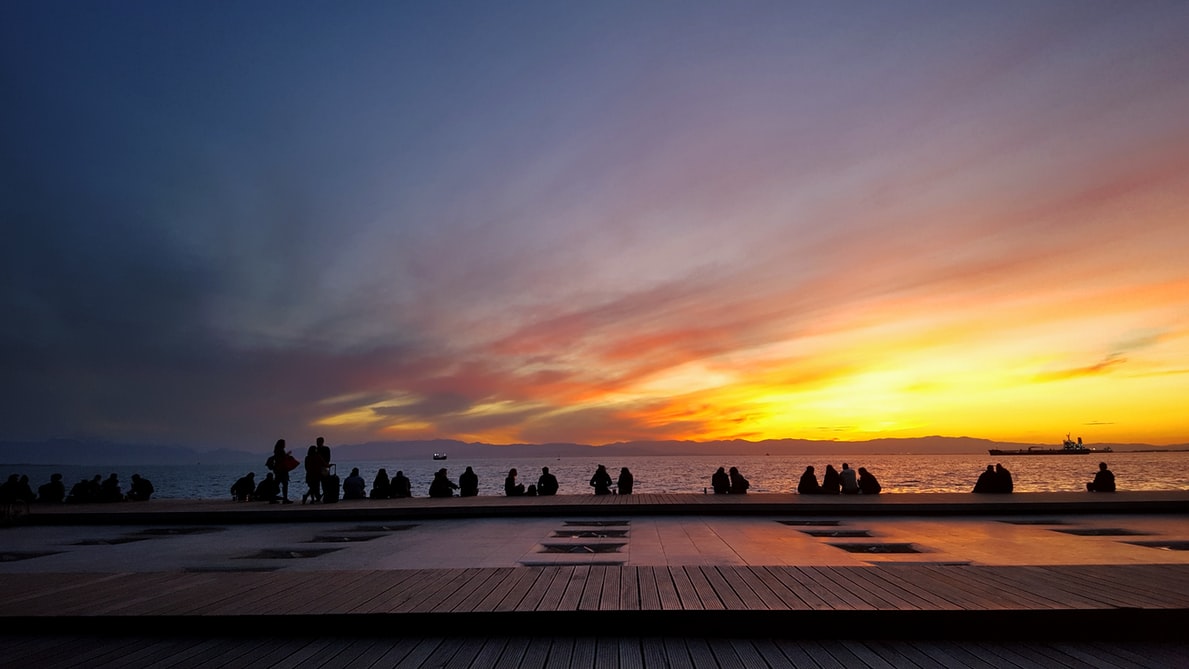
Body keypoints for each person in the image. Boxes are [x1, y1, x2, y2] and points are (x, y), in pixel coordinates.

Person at [267, 439, 294, 504]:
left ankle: (273, 499)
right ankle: (284, 499)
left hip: (278, 470)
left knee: (277, 484)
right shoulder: (281, 451)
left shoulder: (276, 451)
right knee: (284, 484)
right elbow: (282, 459)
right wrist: (288, 455)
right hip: (282, 470)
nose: (285, 444)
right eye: (284, 443)